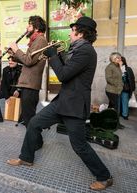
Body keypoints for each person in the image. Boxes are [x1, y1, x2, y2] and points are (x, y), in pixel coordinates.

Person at [7, 16, 113, 191]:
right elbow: (68, 67)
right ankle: (26, 157)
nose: (70, 34)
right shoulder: (76, 49)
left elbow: (63, 75)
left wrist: (54, 56)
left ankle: (104, 177)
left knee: (79, 145)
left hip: (74, 105)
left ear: (80, 33)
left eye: (72, 31)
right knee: (33, 123)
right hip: (63, 101)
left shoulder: (86, 51)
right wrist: (58, 54)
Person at [8, 15, 48, 127]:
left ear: (36, 28)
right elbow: (28, 60)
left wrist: (16, 49)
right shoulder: (36, 40)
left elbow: (29, 60)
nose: (27, 27)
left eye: (30, 25)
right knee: (28, 118)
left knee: (29, 119)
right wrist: (14, 54)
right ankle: (35, 141)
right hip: (28, 85)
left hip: (31, 85)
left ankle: (35, 142)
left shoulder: (40, 40)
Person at [0, 56, 22, 122]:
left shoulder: (22, 69)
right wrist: (7, 97)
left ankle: (23, 118)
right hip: (8, 91)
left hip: (19, 90)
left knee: (27, 97)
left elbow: (24, 82)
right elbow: (4, 84)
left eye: (12, 61)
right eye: (9, 60)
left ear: (17, 62)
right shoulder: (5, 69)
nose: (10, 62)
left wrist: (18, 90)